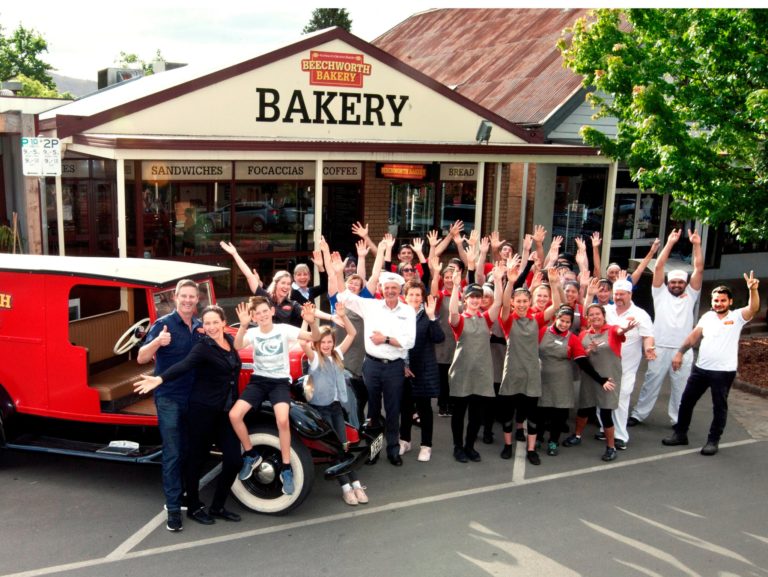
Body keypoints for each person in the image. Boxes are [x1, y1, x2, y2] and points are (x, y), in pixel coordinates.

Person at [134, 305, 243, 526]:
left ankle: (218, 505)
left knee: (234, 460)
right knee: (196, 459)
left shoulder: (230, 343)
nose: (211, 327)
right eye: (207, 323)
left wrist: (247, 324)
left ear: (224, 323)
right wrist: (159, 379)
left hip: (225, 412)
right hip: (202, 410)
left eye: (215, 322)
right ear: (203, 326)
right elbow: (184, 365)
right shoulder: (203, 347)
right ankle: (193, 505)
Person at [663, 272, 761, 455]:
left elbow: (753, 308)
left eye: (723, 300)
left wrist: (753, 290)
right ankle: (680, 434)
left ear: (730, 302)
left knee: (719, 407)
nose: (719, 303)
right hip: (701, 369)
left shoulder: (738, 316)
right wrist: (679, 352)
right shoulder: (707, 317)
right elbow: (694, 336)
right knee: (686, 401)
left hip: (723, 372)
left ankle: (713, 441)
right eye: (716, 300)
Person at [230, 297, 320, 494]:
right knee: (234, 415)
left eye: (264, 311)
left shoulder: (284, 330)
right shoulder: (252, 333)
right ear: (253, 317)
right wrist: (243, 326)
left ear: (271, 311)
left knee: (282, 420)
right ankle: (250, 454)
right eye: (257, 313)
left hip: (279, 382)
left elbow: (315, 337)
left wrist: (312, 321)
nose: (262, 315)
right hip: (258, 380)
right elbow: (237, 346)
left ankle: (286, 467)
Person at [137, 279, 202, 532]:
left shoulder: (198, 326)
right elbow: (142, 357)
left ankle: (186, 497)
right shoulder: (162, 325)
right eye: (183, 296)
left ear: (197, 300)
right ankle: (173, 509)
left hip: (193, 398)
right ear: (176, 298)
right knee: (173, 453)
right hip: (169, 399)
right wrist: (156, 343)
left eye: (192, 297)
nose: (187, 300)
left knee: (188, 451)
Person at [336, 272, 416, 466]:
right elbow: (343, 296)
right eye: (386, 288)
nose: (389, 291)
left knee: (392, 409)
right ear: (381, 289)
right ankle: (374, 451)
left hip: (394, 368)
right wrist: (338, 272)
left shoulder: (407, 311)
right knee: (372, 411)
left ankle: (393, 450)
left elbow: (409, 342)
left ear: (399, 291)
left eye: (393, 288)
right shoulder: (370, 306)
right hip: (372, 365)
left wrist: (385, 339)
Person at [629, 228, 703, 427]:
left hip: (682, 350)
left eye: (681, 282)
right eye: (674, 282)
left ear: (685, 284)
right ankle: (638, 414)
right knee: (650, 383)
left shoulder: (691, 295)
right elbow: (659, 266)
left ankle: (678, 420)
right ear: (668, 283)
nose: (677, 284)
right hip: (659, 347)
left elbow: (699, 269)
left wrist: (696, 244)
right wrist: (669, 243)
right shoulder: (659, 293)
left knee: (681, 387)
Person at [299, 302, 369, 506]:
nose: (327, 345)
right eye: (323, 342)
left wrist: (343, 316)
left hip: (337, 409)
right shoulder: (314, 359)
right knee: (335, 449)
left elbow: (353, 333)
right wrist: (307, 320)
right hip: (321, 410)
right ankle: (346, 488)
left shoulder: (337, 354)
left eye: (329, 341)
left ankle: (356, 484)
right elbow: (303, 342)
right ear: (317, 344)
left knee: (344, 447)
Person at [536, 306, 612, 458]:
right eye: (561, 320)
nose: (564, 324)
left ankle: (553, 441)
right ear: (555, 318)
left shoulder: (573, 339)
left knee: (559, 413)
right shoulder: (542, 331)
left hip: (562, 380)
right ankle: (538, 437)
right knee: (541, 412)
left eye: (567, 322)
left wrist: (601, 379)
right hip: (541, 377)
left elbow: (583, 362)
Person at [448, 266, 504, 463]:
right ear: (466, 299)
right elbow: (452, 311)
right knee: (459, 413)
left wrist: (498, 280)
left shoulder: (486, 319)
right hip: (462, 371)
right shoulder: (460, 320)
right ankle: (458, 447)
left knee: (476, 415)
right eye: (471, 297)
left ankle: (470, 446)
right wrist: (456, 287)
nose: (474, 300)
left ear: (481, 301)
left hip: (482, 372)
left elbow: (498, 302)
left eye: (478, 297)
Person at [564, 304, 634, 461]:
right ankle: (577, 435)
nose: (595, 317)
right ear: (587, 318)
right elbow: (580, 356)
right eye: (591, 314)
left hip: (608, 380)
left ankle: (611, 447)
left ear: (603, 316)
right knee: (584, 408)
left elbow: (620, 331)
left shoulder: (612, 330)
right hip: (590, 378)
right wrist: (587, 351)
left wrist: (626, 329)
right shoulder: (583, 335)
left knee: (605, 413)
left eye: (598, 314)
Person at [605, 279, 655, 450]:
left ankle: (620, 435)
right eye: (616, 294)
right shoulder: (606, 311)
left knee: (622, 398)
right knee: (604, 398)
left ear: (630, 295)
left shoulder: (641, 314)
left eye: (622, 294)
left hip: (627, 367)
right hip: (605, 365)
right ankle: (605, 429)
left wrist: (649, 349)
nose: (618, 297)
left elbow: (648, 336)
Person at [399, 281, 445, 462]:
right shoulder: (400, 316)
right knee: (405, 407)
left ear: (422, 298)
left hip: (423, 370)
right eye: (411, 294)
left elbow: (439, 338)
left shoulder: (427, 315)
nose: (414, 298)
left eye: (418, 295)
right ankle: (405, 440)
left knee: (425, 409)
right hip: (403, 369)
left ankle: (426, 445)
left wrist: (432, 317)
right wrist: (403, 365)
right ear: (405, 296)